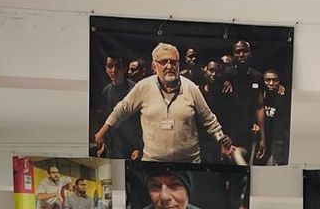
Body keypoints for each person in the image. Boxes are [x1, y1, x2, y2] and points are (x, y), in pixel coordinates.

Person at [94, 42, 233, 163]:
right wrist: (101, 132)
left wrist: (221, 139)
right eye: (164, 62)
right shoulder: (143, 87)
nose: (169, 66)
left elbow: (209, 119)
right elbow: (121, 110)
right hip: (153, 163)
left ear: (178, 65)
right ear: (154, 66)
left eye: (173, 62)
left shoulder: (190, 88)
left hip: (188, 163)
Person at [98, 54, 141, 162]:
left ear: (125, 69)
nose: (113, 70)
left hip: (131, 148)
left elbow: (142, 121)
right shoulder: (106, 91)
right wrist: (104, 144)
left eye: (118, 66)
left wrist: (139, 148)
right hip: (112, 148)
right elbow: (106, 119)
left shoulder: (135, 90)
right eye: (110, 66)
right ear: (106, 69)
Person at [253, 70, 291, 165]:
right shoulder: (258, 95)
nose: (271, 83)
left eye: (275, 80)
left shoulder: (285, 96)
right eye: (267, 80)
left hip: (278, 138)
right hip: (262, 135)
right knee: (258, 162)